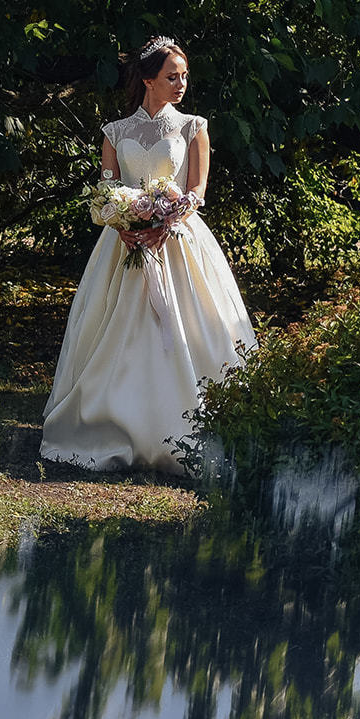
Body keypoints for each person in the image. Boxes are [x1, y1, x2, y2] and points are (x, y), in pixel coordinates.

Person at [40, 36, 256, 475]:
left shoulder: (194, 126)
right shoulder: (115, 132)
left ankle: (187, 426)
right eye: (172, 76)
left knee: (190, 326)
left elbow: (197, 190)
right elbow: (107, 188)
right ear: (148, 80)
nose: (181, 84)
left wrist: (166, 220)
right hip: (123, 246)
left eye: (184, 76)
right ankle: (112, 420)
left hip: (176, 241)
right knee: (113, 328)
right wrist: (122, 221)